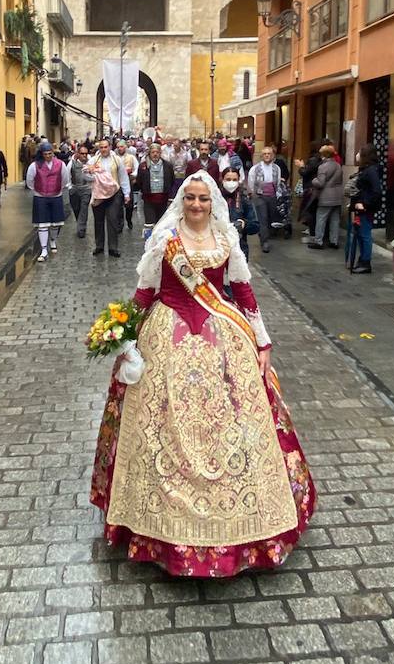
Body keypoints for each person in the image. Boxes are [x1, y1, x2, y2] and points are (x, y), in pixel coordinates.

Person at [90, 172, 315, 577]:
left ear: (214, 203)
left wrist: (262, 342)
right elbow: (145, 292)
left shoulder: (227, 238)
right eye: (191, 198)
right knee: (161, 425)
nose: (197, 205)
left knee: (233, 418)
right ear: (183, 200)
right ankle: (154, 526)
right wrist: (123, 338)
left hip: (220, 332)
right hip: (168, 331)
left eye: (203, 199)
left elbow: (242, 291)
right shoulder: (166, 239)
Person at [27, 141, 71, 262]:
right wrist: (38, 190)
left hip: (56, 195)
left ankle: (52, 240)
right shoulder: (34, 166)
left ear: (53, 153)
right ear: (42, 154)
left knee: (56, 223)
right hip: (40, 196)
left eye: (50, 153)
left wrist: (58, 189)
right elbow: (30, 181)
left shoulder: (60, 164)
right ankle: (44, 249)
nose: (48, 156)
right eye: (45, 154)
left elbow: (65, 179)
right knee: (43, 224)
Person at [87, 138, 131, 257]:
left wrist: (126, 194)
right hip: (98, 194)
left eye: (105, 147)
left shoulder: (117, 160)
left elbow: (123, 177)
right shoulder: (93, 160)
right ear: (99, 148)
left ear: (110, 147)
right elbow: (85, 174)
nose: (103, 149)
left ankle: (113, 247)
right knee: (98, 220)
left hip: (114, 194)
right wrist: (90, 172)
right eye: (101, 147)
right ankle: (99, 246)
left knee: (112, 220)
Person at [350, 144, 384, 274]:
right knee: (360, 234)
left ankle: (365, 262)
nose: (357, 154)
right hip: (361, 206)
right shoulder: (366, 169)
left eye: (359, 152)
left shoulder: (371, 171)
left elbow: (376, 191)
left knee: (365, 234)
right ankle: (362, 259)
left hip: (366, 208)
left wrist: (365, 203)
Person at [247, 145, 286, 254]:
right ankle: (265, 242)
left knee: (270, 217)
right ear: (261, 156)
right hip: (260, 196)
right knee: (263, 217)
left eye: (269, 154)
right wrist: (253, 194)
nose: (267, 156)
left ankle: (263, 233)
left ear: (272, 155)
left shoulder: (277, 168)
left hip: (272, 195)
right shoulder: (255, 168)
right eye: (265, 154)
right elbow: (251, 181)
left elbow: (277, 182)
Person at [220, 166, 260, 260]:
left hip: (239, 248)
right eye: (228, 179)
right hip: (218, 248)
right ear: (222, 180)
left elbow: (255, 226)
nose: (231, 182)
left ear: (239, 181)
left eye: (234, 180)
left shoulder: (244, 199)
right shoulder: (214, 197)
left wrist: (244, 224)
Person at [308, 145, 344, 250]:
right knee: (335, 219)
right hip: (337, 196)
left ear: (323, 155)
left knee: (321, 218)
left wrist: (313, 180)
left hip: (326, 197)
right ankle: (334, 241)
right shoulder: (338, 165)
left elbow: (320, 183)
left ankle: (318, 241)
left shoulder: (323, 167)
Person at [135, 143, 175, 235]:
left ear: (160, 153)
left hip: (163, 199)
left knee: (162, 223)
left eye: (157, 152)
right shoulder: (143, 166)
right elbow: (139, 181)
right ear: (150, 153)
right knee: (149, 224)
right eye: (153, 152)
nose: (155, 154)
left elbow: (171, 180)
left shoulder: (167, 166)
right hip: (149, 199)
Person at [69, 145, 94, 239]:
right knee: (76, 209)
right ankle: (80, 223)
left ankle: (81, 229)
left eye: (86, 154)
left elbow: (95, 176)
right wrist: (69, 187)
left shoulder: (90, 163)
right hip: (74, 189)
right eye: (82, 153)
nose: (84, 155)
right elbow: (67, 174)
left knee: (84, 209)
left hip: (86, 189)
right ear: (78, 154)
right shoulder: (72, 163)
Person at [117, 141, 140, 232]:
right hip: (117, 183)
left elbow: (136, 168)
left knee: (129, 205)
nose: (120, 148)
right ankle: (120, 224)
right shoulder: (115, 158)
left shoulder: (131, 158)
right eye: (118, 147)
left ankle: (129, 219)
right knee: (118, 205)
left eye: (121, 147)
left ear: (125, 147)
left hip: (129, 182)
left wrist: (132, 174)